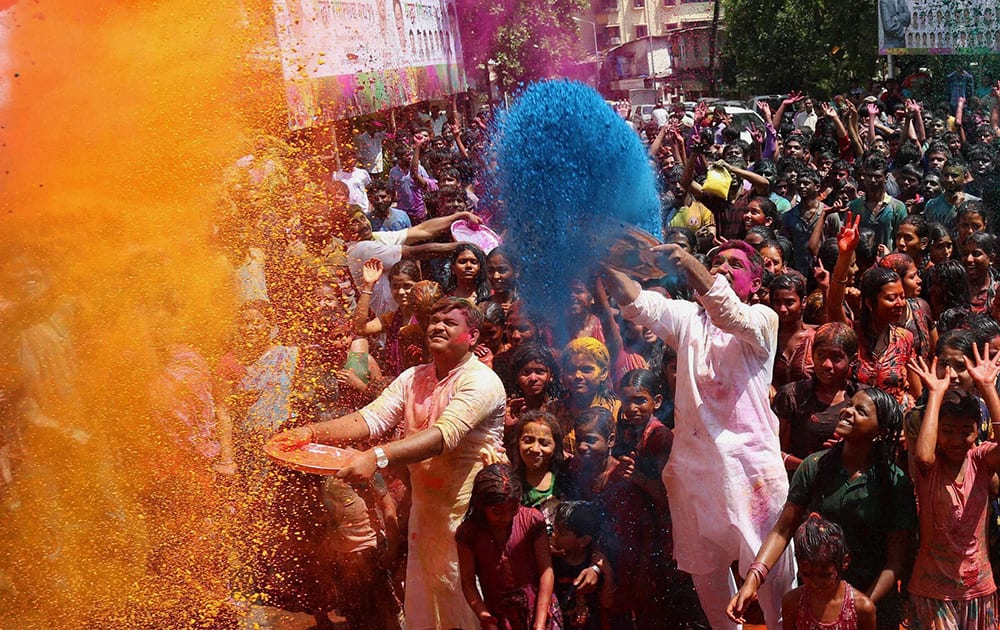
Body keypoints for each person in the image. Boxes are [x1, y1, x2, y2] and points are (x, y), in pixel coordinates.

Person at [270, 297, 507, 630]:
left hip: (471, 520)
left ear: (473, 336)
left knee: (472, 605)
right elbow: (372, 418)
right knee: (427, 604)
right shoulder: (413, 377)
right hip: (426, 516)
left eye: (450, 322)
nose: (437, 326)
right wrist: (311, 432)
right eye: (434, 320)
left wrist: (377, 456)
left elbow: (443, 436)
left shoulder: (481, 381)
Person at [602, 241, 796, 630]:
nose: (722, 268)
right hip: (694, 477)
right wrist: (601, 261)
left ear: (755, 282)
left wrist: (688, 262)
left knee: (776, 586)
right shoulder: (688, 317)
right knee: (709, 586)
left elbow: (726, 311)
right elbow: (638, 303)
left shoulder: (762, 321)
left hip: (752, 475)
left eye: (734, 264)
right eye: (715, 262)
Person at [727, 386, 916, 630]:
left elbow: (895, 562)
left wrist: (857, 608)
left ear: (879, 431)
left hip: (872, 607)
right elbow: (783, 530)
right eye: (849, 405)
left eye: (860, 411)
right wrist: (752, 580)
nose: (847, 411)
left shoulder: (893, 482)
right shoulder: (815, 466)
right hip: (816, 597)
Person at [907, 348, 1000, 630]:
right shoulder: (930, 465)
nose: (957, 440)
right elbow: (923, 455)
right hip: (933, 589)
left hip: (978, 587)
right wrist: (935, 394)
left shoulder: (981, 460)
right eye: (947, 430)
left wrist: (987, 389)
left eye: (965, 431)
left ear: (977, 430)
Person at [455, 463, 558, 630]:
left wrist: (539, 623)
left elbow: (546, 571)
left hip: (541, 610)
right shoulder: (469, 534)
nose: (507, 517)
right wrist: (484, 616)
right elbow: (468, 583)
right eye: (497, 512)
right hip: (500, 620)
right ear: (481, 505)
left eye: (513, 508)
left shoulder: (532, 520)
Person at [774, 323, 860, 471]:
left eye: (836, 358)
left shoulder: (861, 398)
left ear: (852, 360)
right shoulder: (792, 396)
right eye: (820, 355)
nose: (826, 364)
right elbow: (773, 452)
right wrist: (812, 468)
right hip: (801, 485)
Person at [781, 514, 877, 630]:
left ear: (845, 562)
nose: (815, 583)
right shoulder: (793, 603)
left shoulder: (862, 607)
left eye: (824, 575)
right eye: (807, 575)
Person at [551, 501, 616, 630]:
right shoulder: (553, 562)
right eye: (555, 529)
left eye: (562, 533)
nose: (554, 535)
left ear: (583, 540)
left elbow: (607, 603)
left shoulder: (595, 563)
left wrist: (608, 573)